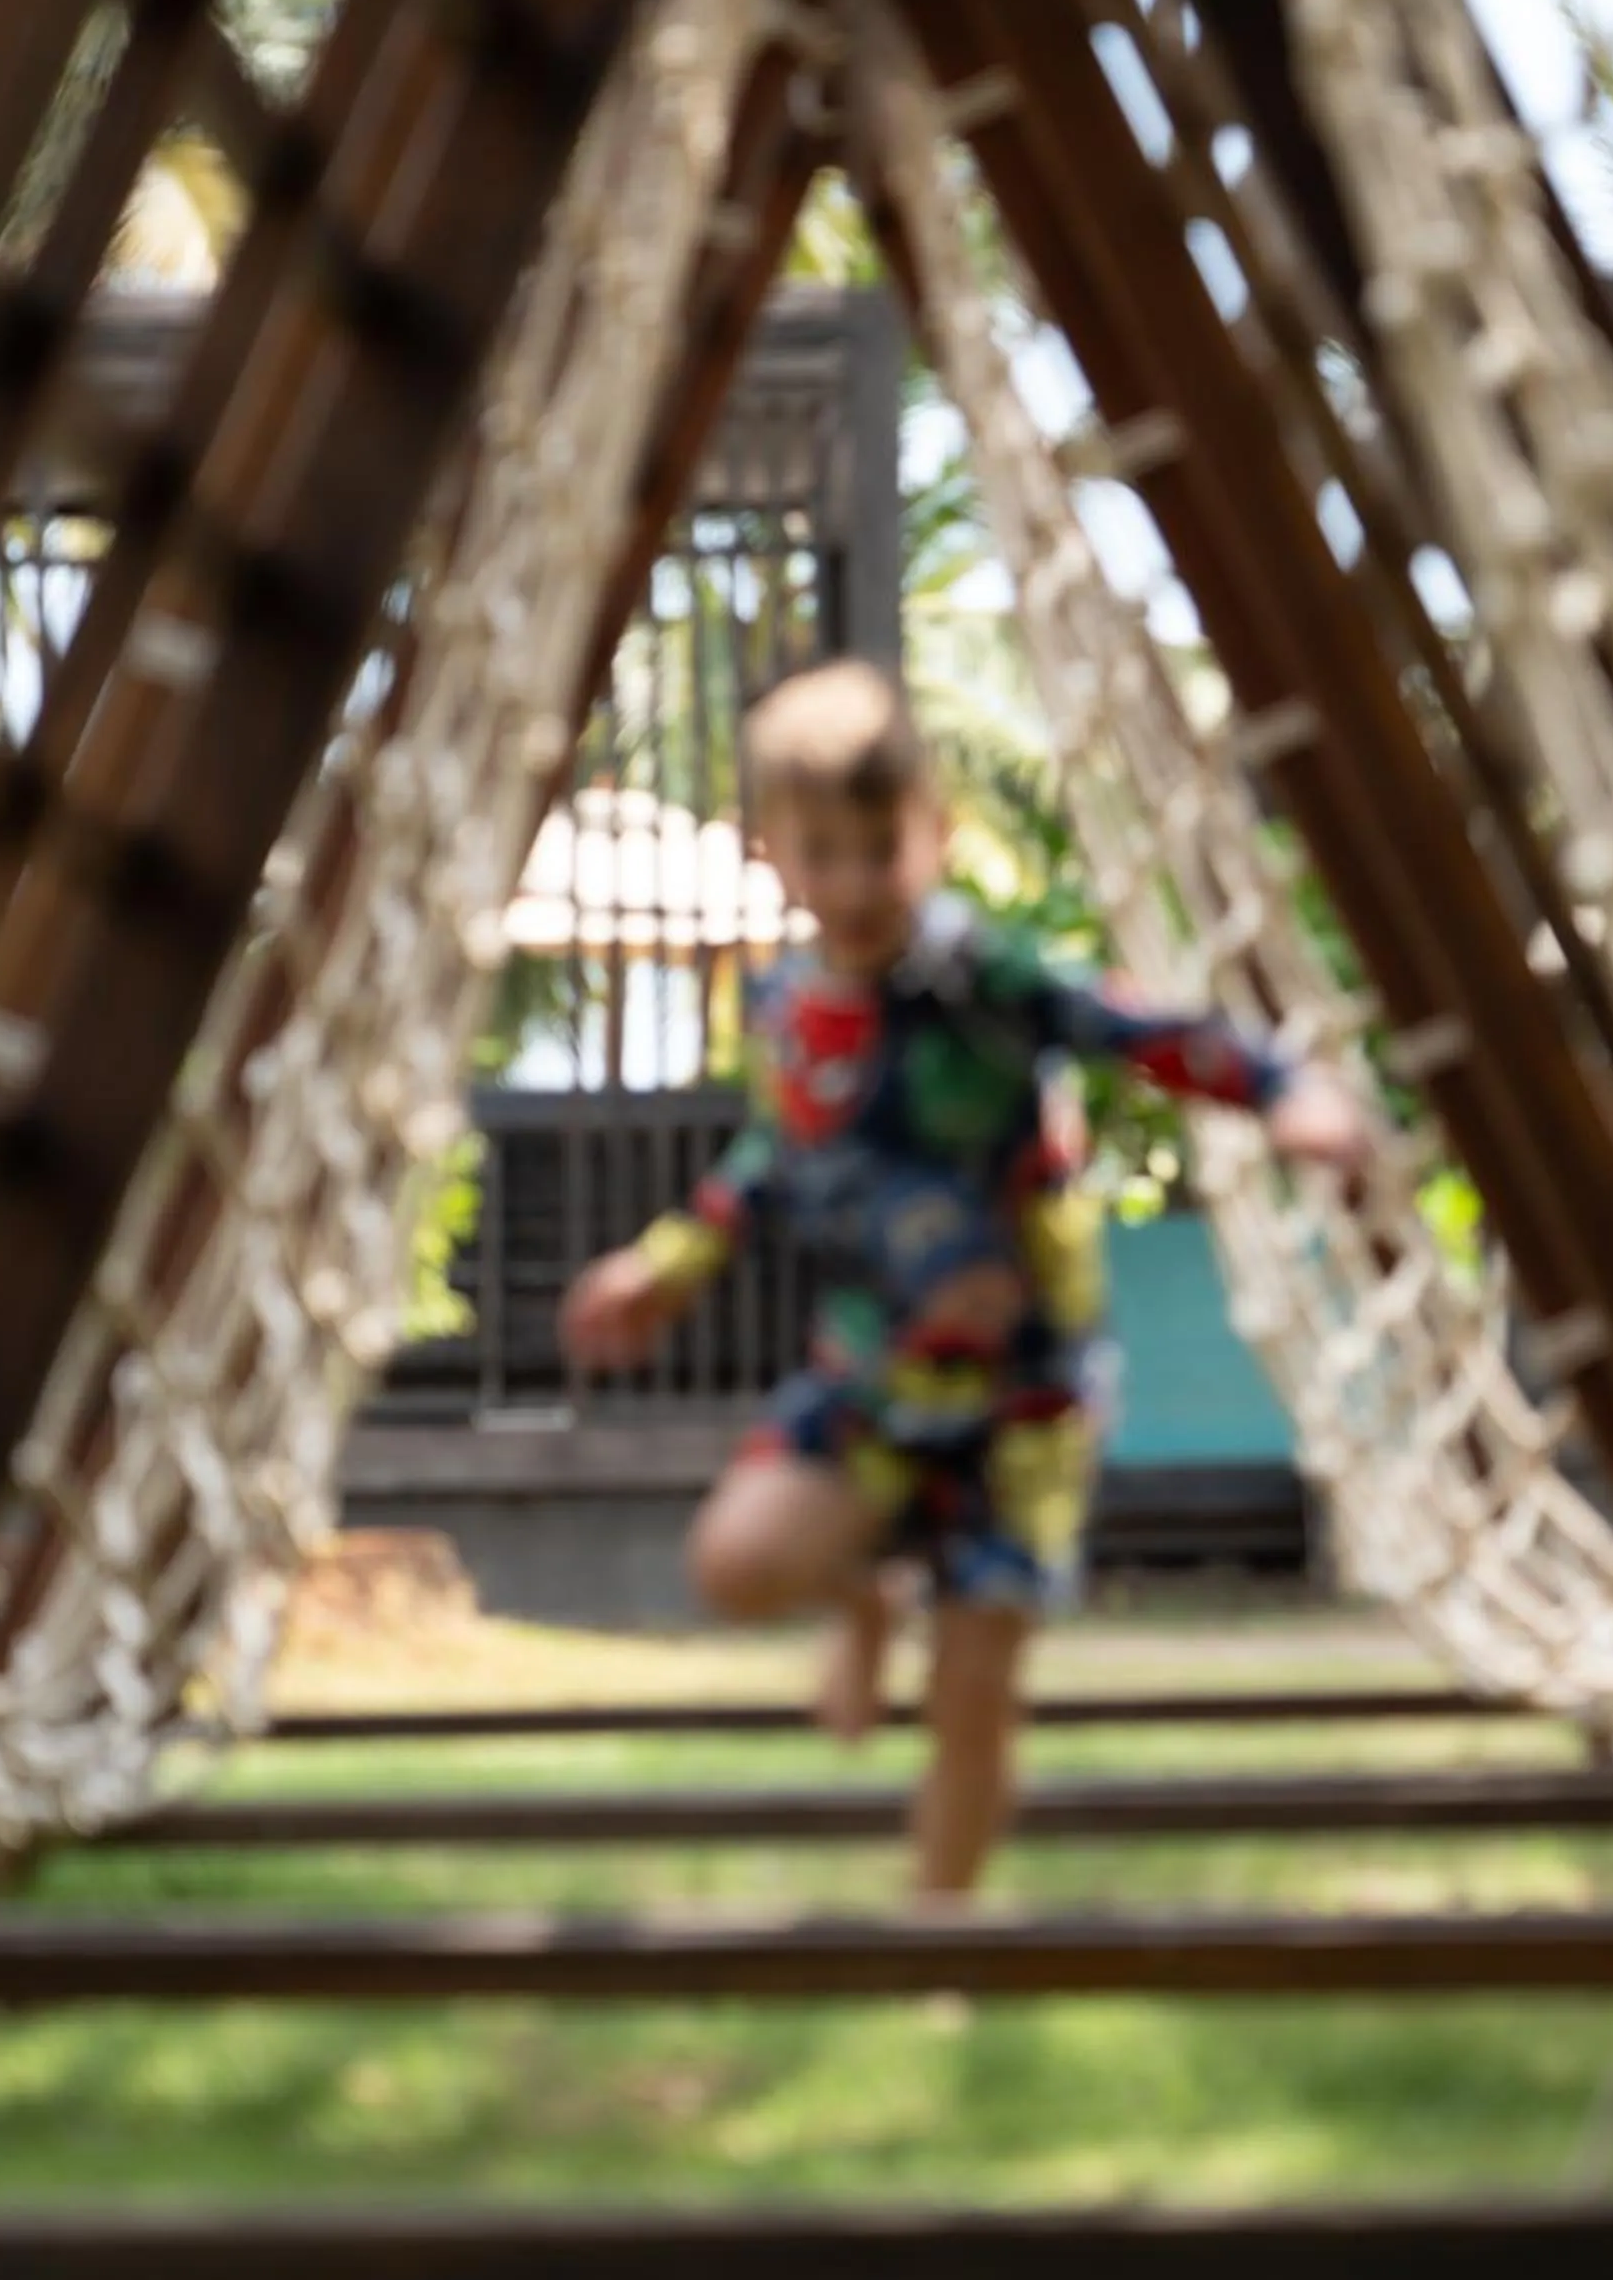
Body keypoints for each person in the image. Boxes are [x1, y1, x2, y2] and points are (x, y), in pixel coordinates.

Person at [560, 659, 1370, 1905]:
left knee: (974, 1687)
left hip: (1021, 1394)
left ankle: (937, 1939)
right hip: (874, 1376)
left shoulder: (980, 978)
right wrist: (666, 1269)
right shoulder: (782, 1004)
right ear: (771, 854)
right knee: (732, 1564)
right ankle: (870, 1597)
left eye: (879, 848)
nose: (852, 883)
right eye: (819, 851)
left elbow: (1133, 1027)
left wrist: (1281, 1093)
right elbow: (773, 1157)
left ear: (932, 834)